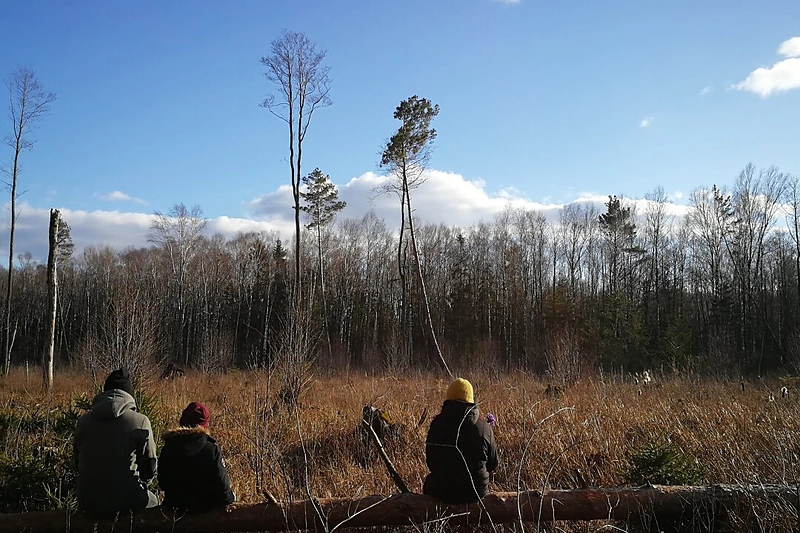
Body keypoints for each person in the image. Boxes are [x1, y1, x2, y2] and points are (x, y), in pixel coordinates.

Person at [74, 368, 158, 515]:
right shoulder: (140, 421)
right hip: (128, 500)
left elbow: (76, 462)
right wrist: (144, 483)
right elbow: (150, 465)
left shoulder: (84, 421)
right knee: (155, 503)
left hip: (88, 500)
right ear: (129, 394)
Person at [423, 378, 498, 504]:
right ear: (471, 400)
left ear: (448, 399)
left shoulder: (437, 425)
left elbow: (431, 462)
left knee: (429, 483)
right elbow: (492, 464)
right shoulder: (484, 427)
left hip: (441, 491)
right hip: (476, 492)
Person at [158, 401, 235, 511]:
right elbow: (223, 489)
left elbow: (163, 483)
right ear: (205, 425)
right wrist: (231, 498)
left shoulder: (169, 447)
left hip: (174, 508)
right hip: (206, 511)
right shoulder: (211, 449)